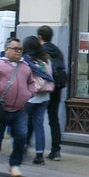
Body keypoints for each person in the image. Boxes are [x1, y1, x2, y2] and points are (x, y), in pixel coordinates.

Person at [0, 37, 35, 177]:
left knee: (22, 136)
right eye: (15, 49)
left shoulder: (25, 66)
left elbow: (31, 83)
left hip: (19, 109)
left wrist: (29, 94)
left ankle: (15, 165)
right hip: (0, 109)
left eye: (20, 49)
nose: (18, 52)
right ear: (6, 50)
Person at [22, 36, 55, 165]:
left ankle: (20, 149)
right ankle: (39, 155)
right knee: (39, 126)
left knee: (22, 124)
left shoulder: (26, 60)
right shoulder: (46, 58)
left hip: (30, 96)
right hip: (44, 97)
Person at [38, 25, 66, 160]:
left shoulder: (40, 51)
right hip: (57, 87)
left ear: (39, 37)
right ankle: (56, 151)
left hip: (42, 87)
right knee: (53, 118)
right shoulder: (58, 51)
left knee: (35, 117)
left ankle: (31, 148)